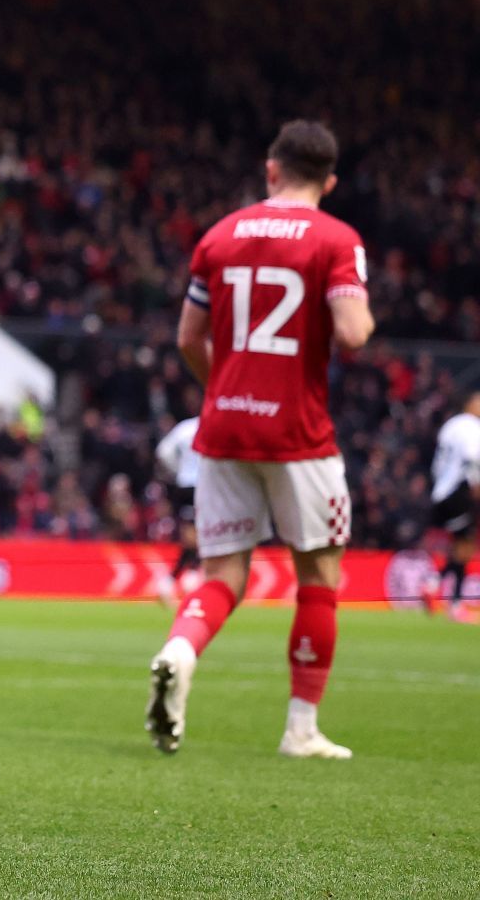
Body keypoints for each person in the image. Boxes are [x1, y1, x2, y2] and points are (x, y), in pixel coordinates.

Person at [146, 119, 375, 760]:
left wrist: (225, 385)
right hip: (299, 432)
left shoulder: (219, 236)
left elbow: (189, 338)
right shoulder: (336, 239)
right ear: (328, 181)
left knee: (222, 573)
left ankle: (178, 650)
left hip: (222, 427)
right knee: (319, 577)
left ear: (271, 169)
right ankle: (301, 729)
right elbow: (353, 333)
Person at [427, 387, 480, 621]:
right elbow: (472, 460)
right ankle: (455, 604)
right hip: (459, 490)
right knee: (465, 546)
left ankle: (433, 583)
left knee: (461, 546)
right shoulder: (471, 427)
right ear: (469, 403)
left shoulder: (450, 426)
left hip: (442, 490)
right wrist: (476, 488)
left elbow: (437, 464)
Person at [154, 413, 205, 605]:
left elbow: (163, 452)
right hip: (204, 485)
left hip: (184, 485)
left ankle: (175, 579)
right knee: (202, 534)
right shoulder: (213, 425)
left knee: (193, 535)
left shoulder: (185, 427)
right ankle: (189, 576)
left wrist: (178, 470)